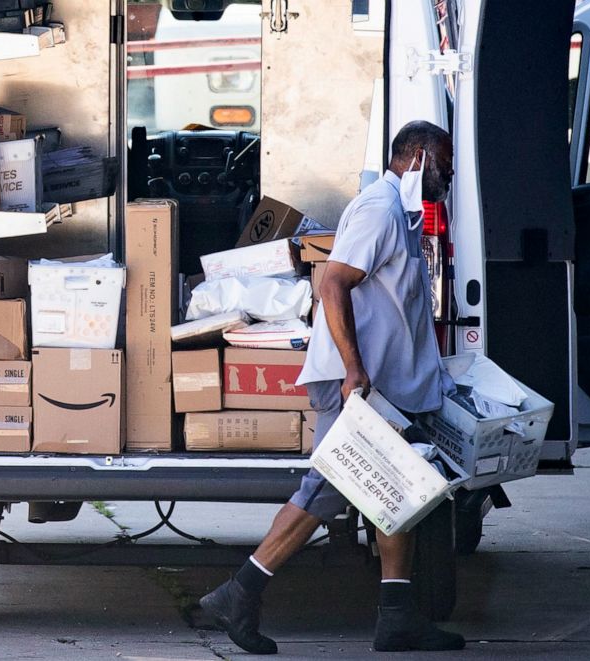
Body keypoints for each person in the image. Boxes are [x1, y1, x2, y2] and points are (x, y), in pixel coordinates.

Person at [199, 120, 466, 655]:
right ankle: (240, 592)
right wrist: (353, 369)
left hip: (385, 388)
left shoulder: (402, 212)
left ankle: (396, 614)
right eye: (444, 162)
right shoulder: (380, 209)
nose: (450, 173)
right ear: (415, 158)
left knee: (398, 491)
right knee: (326, 491)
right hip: (361, 387)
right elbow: (332, 283)